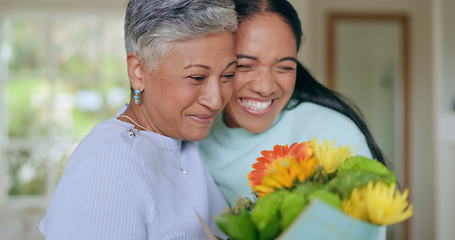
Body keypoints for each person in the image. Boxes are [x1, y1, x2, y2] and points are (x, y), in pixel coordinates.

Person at [39, 0, 237, 239]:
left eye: (228, 75)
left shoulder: (188, 141)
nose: (216, 100)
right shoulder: (106, 167)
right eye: (197, 77)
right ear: (138, 72)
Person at [199, 0, 387, 205]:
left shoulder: (332, 134)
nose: (265, 87)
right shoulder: (196, 132)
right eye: (245, 66)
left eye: (284, 68)